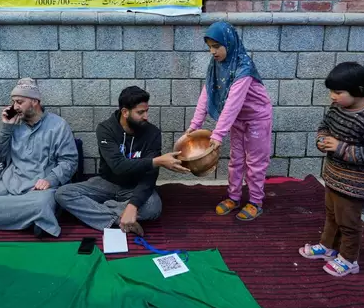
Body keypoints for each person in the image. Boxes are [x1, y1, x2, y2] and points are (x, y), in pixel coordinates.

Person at [55, 86, 190, 236]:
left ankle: (102, 209)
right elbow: (118, 166)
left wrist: (133, 204)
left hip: (135, 186)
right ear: (125, 112)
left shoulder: (153, 133)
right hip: (107, 182)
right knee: (63, 193)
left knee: (154, 207)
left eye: (147, 111)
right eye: (140, 112)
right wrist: (156, 161)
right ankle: (119, 219)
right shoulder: (105, 129)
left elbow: (149, 177)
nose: (146, 116)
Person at [299, 63, 364, 277]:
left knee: (349, 223)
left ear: (359, 91)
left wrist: (340, 148)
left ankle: (349, 260)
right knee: (332, 216)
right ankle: (327, 247)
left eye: (338, 92)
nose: (332, 96)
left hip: (354, 185)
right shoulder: (337, 108)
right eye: (332, 91)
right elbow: (325, 126)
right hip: (333, 177)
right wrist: (321, 139)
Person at [0, 78, 78, 237]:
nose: (15, 107)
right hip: (10, 184)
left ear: (35, 101)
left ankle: (13, 216)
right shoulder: (12, 124)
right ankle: (32, 219)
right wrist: (6, 128)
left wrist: (51, 179)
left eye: (20, 102)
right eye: (13, 102)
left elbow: (69, 161)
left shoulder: (58, 125)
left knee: (41, 204)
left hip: (39, 187)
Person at [185, 21, 272, 221]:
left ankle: (255, 202)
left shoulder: (244, 67)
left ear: (229, 43)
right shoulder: (217, 65)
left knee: (255, 162)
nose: (212, 52)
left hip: (257, 118)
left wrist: (218, 134)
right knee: (236, 160)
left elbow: (233, 102)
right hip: (237, 120)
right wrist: (194, 125)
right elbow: (207, 92)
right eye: (209, 47)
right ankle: (234, 197)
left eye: (216, 46)